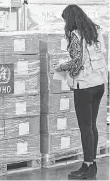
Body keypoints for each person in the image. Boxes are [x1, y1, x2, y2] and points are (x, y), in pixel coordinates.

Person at [55, 4, 108, 180]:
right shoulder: (96, 31)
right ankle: (92, 166)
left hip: (84, 86)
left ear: (70, 20)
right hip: (99, 84)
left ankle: (86, 166)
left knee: (85, 127)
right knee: (91, 126)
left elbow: (77, 62)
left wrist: (61, 67)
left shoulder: (75, 35)